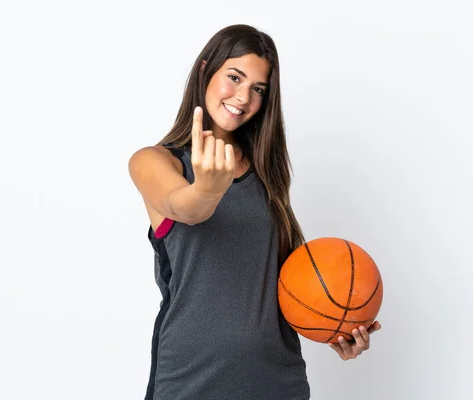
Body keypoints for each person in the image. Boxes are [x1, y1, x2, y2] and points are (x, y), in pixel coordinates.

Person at [128, 24, 381, 400]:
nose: (243, 97)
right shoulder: (154, 162)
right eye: (234, 77)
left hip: (278, 383)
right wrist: (206, 189)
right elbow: (186, 207)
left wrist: (334, 322)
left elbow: (284, 284)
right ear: (204, 71)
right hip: (190, 382)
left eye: (258, 89)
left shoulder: (268, 175)